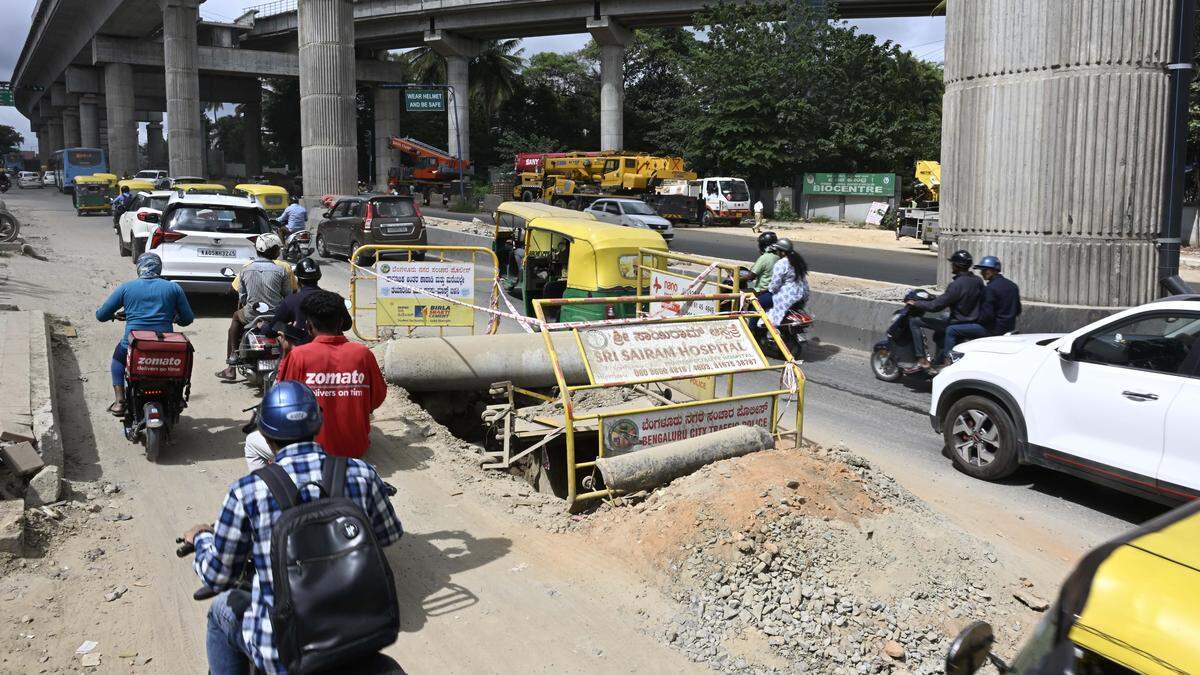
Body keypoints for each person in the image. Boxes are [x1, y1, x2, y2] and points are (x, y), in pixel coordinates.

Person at [185, 381, 403, 674]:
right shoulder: (361, 472)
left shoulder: (247, 492)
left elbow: (218, 575)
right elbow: (388, 534)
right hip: (359, 633)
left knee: (221, 610)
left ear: (263, 432)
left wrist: (201, 539)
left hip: (283, 652)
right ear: (319, 422)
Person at [275, 290, 386, 458]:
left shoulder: (299, 355)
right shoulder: (362, 353)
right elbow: (377, 397)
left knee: (255, 442)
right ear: (341, 322)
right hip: (355, 450)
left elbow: (282, 400)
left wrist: (286, 353)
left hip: (312, 453)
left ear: (309, 325)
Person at [95, 253, 195, 416]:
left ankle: (120, 401)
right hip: (165, 345)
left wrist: (113, 315)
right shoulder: (173, 288)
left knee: (117, 359)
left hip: (135, 345)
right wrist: (176, 318)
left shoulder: (126, 288)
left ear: (139, 268)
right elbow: (188, 318)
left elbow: (101, 315)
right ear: (159, 268)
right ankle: (178, 396)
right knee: (181, 360)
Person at [217, 233, 297, 382]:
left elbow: (243, 297)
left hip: (252, 314)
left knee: (236, 317)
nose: (279, 251)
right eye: (277, 248)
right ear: (270, 250)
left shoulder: (246, 269)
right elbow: (287, 296)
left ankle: (232, 362)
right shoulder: (282, 270)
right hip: (276, 315)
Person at [907, 249, 986, 369]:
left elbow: (935, 306)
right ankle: (938, 356)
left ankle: (922, 359)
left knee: (914, 321)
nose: (951, 266)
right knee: (942, 318)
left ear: (957, 266)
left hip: (957, 323)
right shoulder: (978, 281)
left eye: (953, 264)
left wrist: (916, 303)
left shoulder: (956, 285)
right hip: (973, 323)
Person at [764, 238, 809, 329]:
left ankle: (753, 330)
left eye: (777, 251)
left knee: (758, 302)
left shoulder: (781, 263)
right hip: (803, 293)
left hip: (788, 296)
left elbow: (775, 284)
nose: (776, 253)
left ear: (782, 252)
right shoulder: (798, 261)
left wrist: (768, 290)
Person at [748, 231, 780, 317]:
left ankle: (750, 327)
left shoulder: (764, 258)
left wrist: (736, 277)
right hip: (777, 291)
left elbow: (751, 276)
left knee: (740, 294)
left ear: (762, 246)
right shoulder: (780, 257)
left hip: (762, 291)